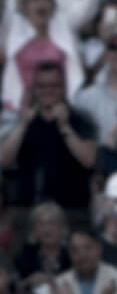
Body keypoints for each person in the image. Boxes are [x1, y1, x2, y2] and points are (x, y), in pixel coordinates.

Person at [0, 62, 97, 216]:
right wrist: (23, 125)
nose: (48, 91)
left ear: (63, 88)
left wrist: (65, 127)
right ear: (34, 89)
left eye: (54, 86)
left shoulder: (80, 119)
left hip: (71, 209)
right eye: (42, 86)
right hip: (27, 209)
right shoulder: (24, 120)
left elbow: (90, 160)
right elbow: (4, 160)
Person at [36, 228, 117, 294]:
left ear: (99, 249)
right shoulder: (60, 285)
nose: (82, 255)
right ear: (70, 254)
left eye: (87, 248)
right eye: (75, 250)